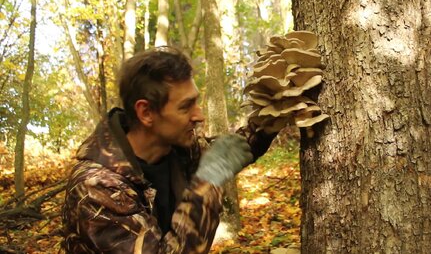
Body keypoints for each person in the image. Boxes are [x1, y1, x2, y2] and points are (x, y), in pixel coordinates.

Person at [61, 46, 276, 253]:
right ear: (146, 112)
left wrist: (270, 118)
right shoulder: (96, 189)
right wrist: (207, 184)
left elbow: (228, 151)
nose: (199, 116)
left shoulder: (178, 150)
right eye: (185, 106)